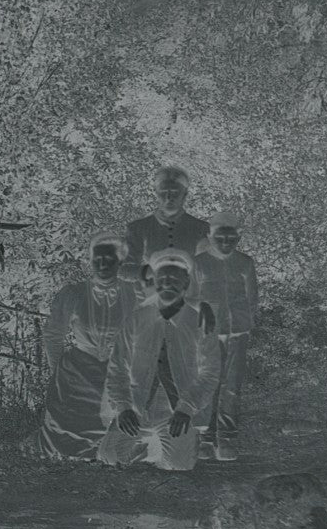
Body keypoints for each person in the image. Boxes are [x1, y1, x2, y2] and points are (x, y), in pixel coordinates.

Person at [98, 248, 221, 471]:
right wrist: (124, 408)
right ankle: (145, 444)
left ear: (186, 284)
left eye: (174, 278)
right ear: (154, 282)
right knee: (109, 456)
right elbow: (118, 367)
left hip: (176, 410)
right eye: (162, 278)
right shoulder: (137, 319)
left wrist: (186, 408)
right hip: (138, 405)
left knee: (178, 466)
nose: (167, 283)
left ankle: (169, 443)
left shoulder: (201, 323)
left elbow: (210, 373)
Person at [32, 232, 138, 461]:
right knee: (63, 446)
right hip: (77, 376)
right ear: (90, 261)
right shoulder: (74, 294)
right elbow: (53, 334)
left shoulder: (133, 295)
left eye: (109, 259)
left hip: (116, 373)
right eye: (97, 259)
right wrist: (59, 370)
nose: (102, 265)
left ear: (120, 261)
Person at [193, 213, 259, 461]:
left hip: (239, 332)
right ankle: (206, 439)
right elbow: (190, 298)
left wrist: (245, 323)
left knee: (232, 386)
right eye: (219, 237)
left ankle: (228, 437)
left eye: (231, 238)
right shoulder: (199, 263)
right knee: (210, 383)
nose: (225, 242)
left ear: (239, 237)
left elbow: (252, 298)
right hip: (209, 334)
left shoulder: (245, 263)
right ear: (210, 237)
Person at [121, 166, 211, 291]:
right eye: (164, 191)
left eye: (175, 191)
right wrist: (151, 271)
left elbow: (207, 269)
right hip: (150, 296)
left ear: (185, 194)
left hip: (189, 296)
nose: (169, 197)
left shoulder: (201, 228)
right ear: (156, 192)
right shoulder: (138, 228)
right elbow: (125, 269)